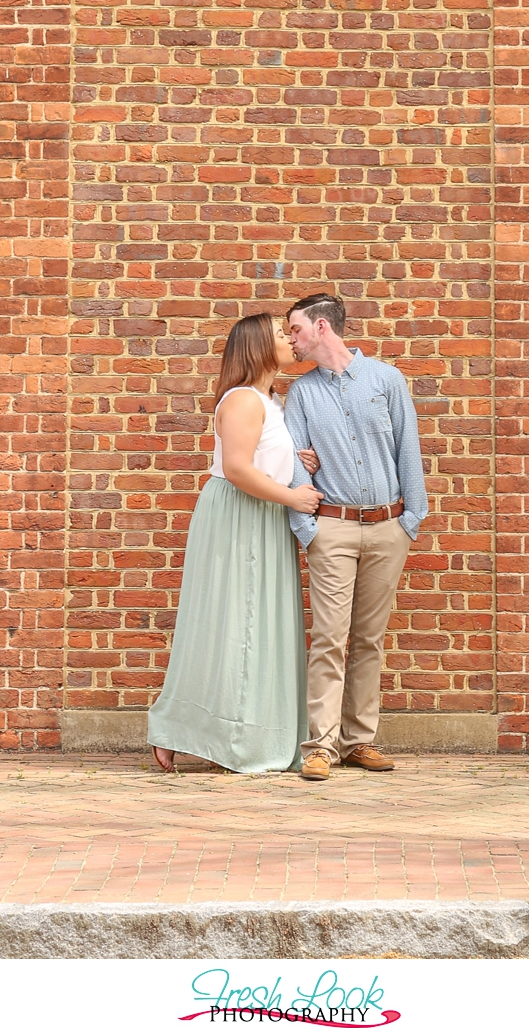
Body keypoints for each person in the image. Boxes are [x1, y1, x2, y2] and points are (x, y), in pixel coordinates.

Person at [147, 312, 322, 774]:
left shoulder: (268, 400)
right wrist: (294, 496)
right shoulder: (245, 399)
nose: (290, 340)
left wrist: (294, 460)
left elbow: (260, 457)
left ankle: (238, 732)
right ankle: (200, 732)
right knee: (238, 625)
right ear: (259, 346)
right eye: (281, 335)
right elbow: (240, 469)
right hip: (242, 515)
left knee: (253, 626)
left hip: (260, 515)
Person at [283, 292, 428, 781]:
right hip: (334, 529)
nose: (291, 340)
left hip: (389, 527)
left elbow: (408, 448)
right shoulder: (301, 394)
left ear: (322, 328)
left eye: (296, 330)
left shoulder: (386, 380)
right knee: (329, 637)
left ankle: (359, 741)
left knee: (369, 639)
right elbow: (291, 465)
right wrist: (310, 530)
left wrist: (411, 520)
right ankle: (320, 746)